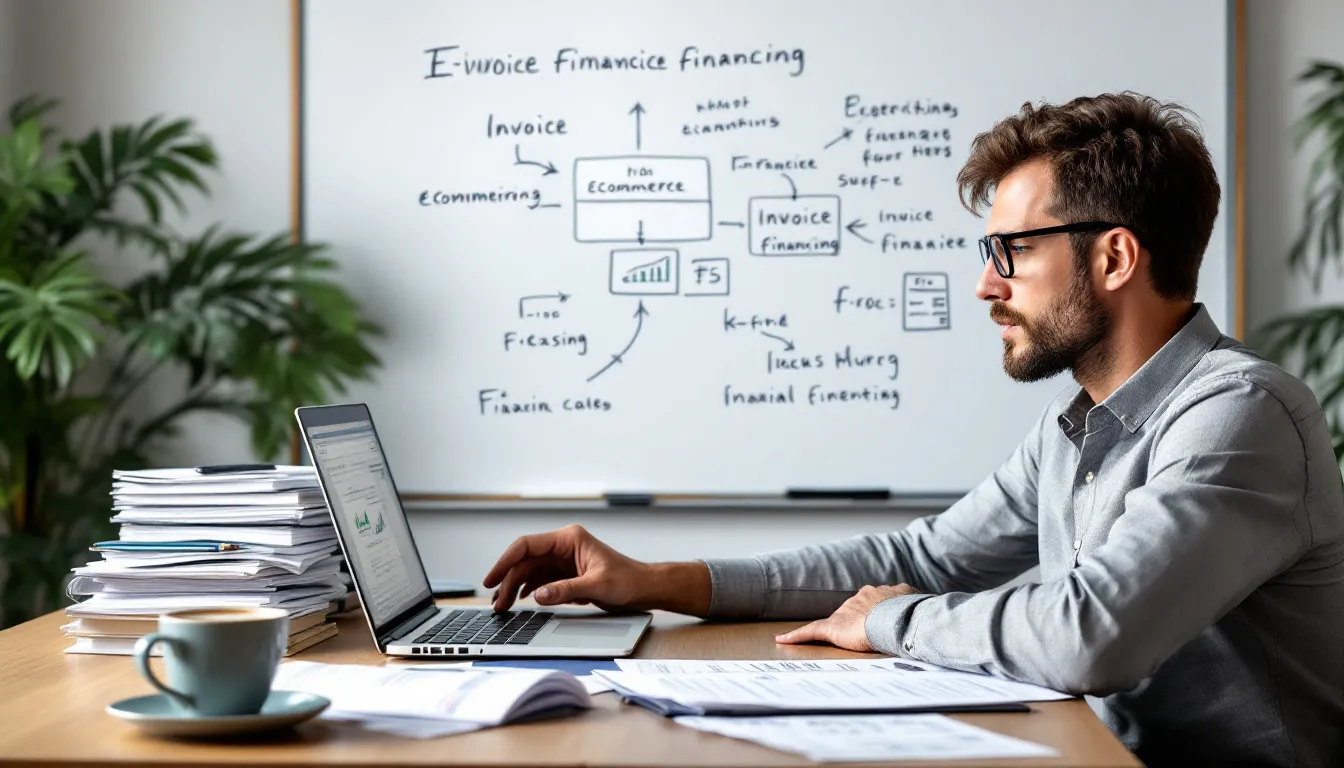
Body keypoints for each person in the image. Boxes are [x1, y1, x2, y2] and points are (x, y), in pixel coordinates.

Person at [483, 92, 1344, 767]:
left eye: (1012, 251)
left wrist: (900, 622)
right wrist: (655, 579)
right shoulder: (1078, 429)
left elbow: (1091, 637)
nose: (985, 285)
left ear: (1114, 258)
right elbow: (922, 561)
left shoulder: (1239, 414)